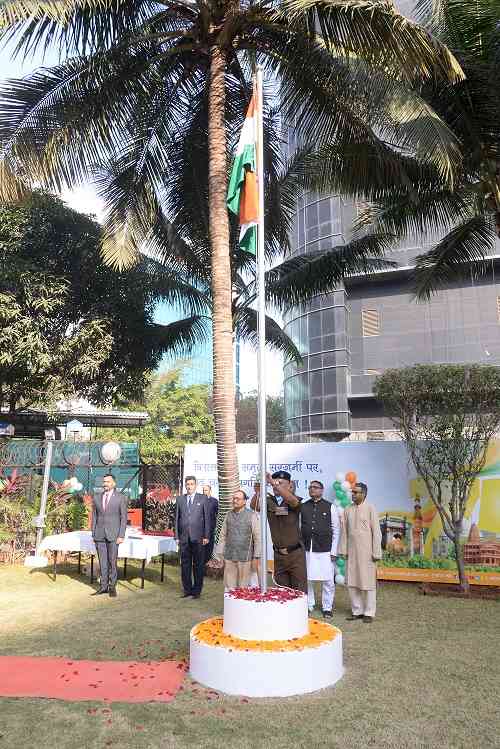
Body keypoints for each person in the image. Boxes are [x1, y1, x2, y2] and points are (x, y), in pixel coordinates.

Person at [251, 470, 307, 593]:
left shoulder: (294, 499)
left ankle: (302, 613)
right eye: (274, 483)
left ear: (290, 485)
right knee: (282, 592)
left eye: (280, 483)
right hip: (278, 555)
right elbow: (254, 505)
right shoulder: (269, 501)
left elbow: (293, 502)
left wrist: (272, 482)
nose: (275, 485)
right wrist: (259, 490)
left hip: (295, 554)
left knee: (300, 592)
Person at [339, 481, 382, 623]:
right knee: (352, 582)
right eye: (352, 492)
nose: (353, 494)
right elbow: (344, 532)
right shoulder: (348, 510)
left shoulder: (370, 508)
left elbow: (376, 532)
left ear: (363, 494)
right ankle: (357, 611)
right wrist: (343, 550)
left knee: (368, 583)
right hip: (352, 553)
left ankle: (369, 612)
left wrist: (376, 552)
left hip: (368, 554)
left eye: (356, 492)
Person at [301, 480, 340, 617]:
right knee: (307, 579)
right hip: (307, 549)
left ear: (322, 490)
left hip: (326, 550)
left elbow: (336, 530)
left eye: (315, 487)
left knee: (328, 580)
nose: (312, 489)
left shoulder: (330, 507)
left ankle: (327, 607)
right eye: (310, 487)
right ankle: (309, 604)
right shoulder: (303, 506)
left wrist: (334, 551)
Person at [215, 489, 260, 589]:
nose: (235, 501)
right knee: (229, 588)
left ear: (244, 501)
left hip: (246, 558)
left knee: (244, 589)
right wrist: (220, 555)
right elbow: (222, 536)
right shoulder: (228, 515)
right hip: (229, 557)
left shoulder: (252, 515)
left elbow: (258, 538)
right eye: (234, 498)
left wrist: (256, 557)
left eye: (238, 499)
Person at [91, 473, 128, 598]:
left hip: (114, 535)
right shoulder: (96, 497)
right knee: (103, 562)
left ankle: (112, 587)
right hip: (99, 535)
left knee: (112, 561)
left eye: (107, 481)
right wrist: (93, 533)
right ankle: (103, 586)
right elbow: (94, 516)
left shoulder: (121, 498)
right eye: (104, 481)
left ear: (114, 483)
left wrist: (121, 535)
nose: (105, 483)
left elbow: (123, 518)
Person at [175, 476, 209, 599]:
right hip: (184, 538)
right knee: (185, 564)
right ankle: (187, 590)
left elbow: (207, 518)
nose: (189, 486)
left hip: (198, 537)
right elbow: (176, 519)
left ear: (195, 485)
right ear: (185, 485)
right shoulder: (180, 499)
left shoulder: (203, 498)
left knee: (198, 564)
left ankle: (196, 591)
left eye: (191, 484)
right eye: (187, 484)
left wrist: (206, 535)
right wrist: (176, 536)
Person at [202, 484, 219, 563]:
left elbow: (217, 513)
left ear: (210, 491)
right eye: (203, 490)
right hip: (201, 529)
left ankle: (206, 562)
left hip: (211, 529)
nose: (204, 492)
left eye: (206, 490)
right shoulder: (200, 500)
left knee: (209, 548)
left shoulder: (214, 501)